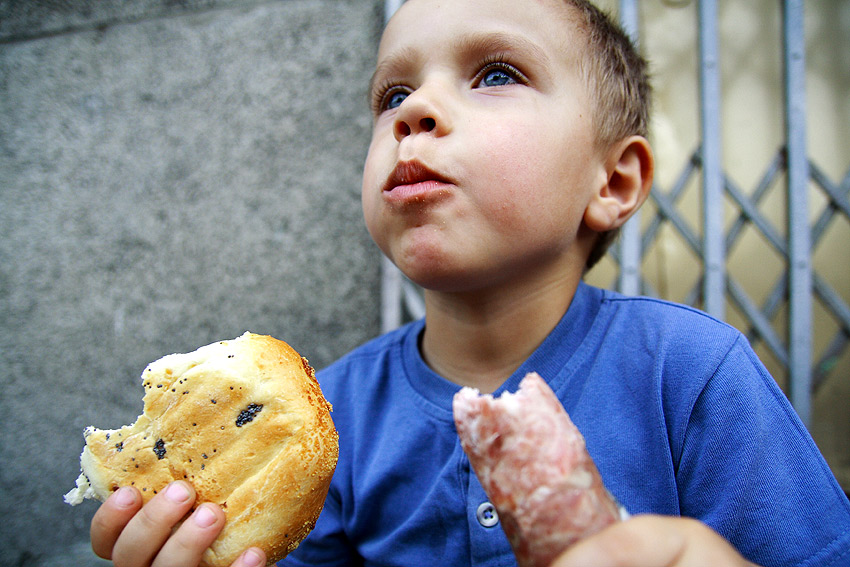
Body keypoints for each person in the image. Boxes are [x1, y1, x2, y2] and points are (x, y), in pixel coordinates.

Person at [90, 0, 850, 566]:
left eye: (496, 73)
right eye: (392, 95)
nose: (414, 111)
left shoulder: (689, 372)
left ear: (613, 179)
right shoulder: (327, 418)